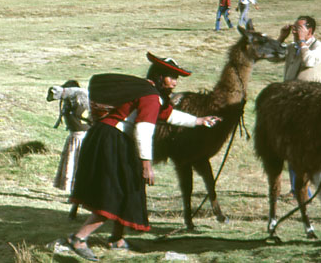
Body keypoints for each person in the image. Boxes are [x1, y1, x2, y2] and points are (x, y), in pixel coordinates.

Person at [66, 53, 220, 260]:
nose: (175, 82)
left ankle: (117, 239)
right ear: (158, 76)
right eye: (171, 77)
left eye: (176, 78)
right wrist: (146, 164)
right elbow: (143, 129)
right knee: (115, 191)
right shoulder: (150, 95)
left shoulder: (147, 93)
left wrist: (199, 121)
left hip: (108, 138)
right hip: (112, 140)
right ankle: (78, 238)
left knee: (130, 187)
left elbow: (168, 115)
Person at [278, 15, 321, 196]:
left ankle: (304, 190)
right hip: (290, 102)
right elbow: (275, 56)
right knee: (291, 146)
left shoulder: (319, 47)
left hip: (310, 104)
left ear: (310, 31)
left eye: (299, 29)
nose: (295, 32)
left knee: (304, 148)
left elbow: (308, 61)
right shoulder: (292, 47)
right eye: (294, 28)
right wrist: (281, 38)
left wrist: (302, 43)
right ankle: (296, 189)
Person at [47, 80, 90, 220]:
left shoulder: (79, 101)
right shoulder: (70, 102)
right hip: (76, 136)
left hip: (82, 138)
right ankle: (76, 198)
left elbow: (87, 118)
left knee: (80, 168)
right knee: (76, 168)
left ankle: (78, 199)